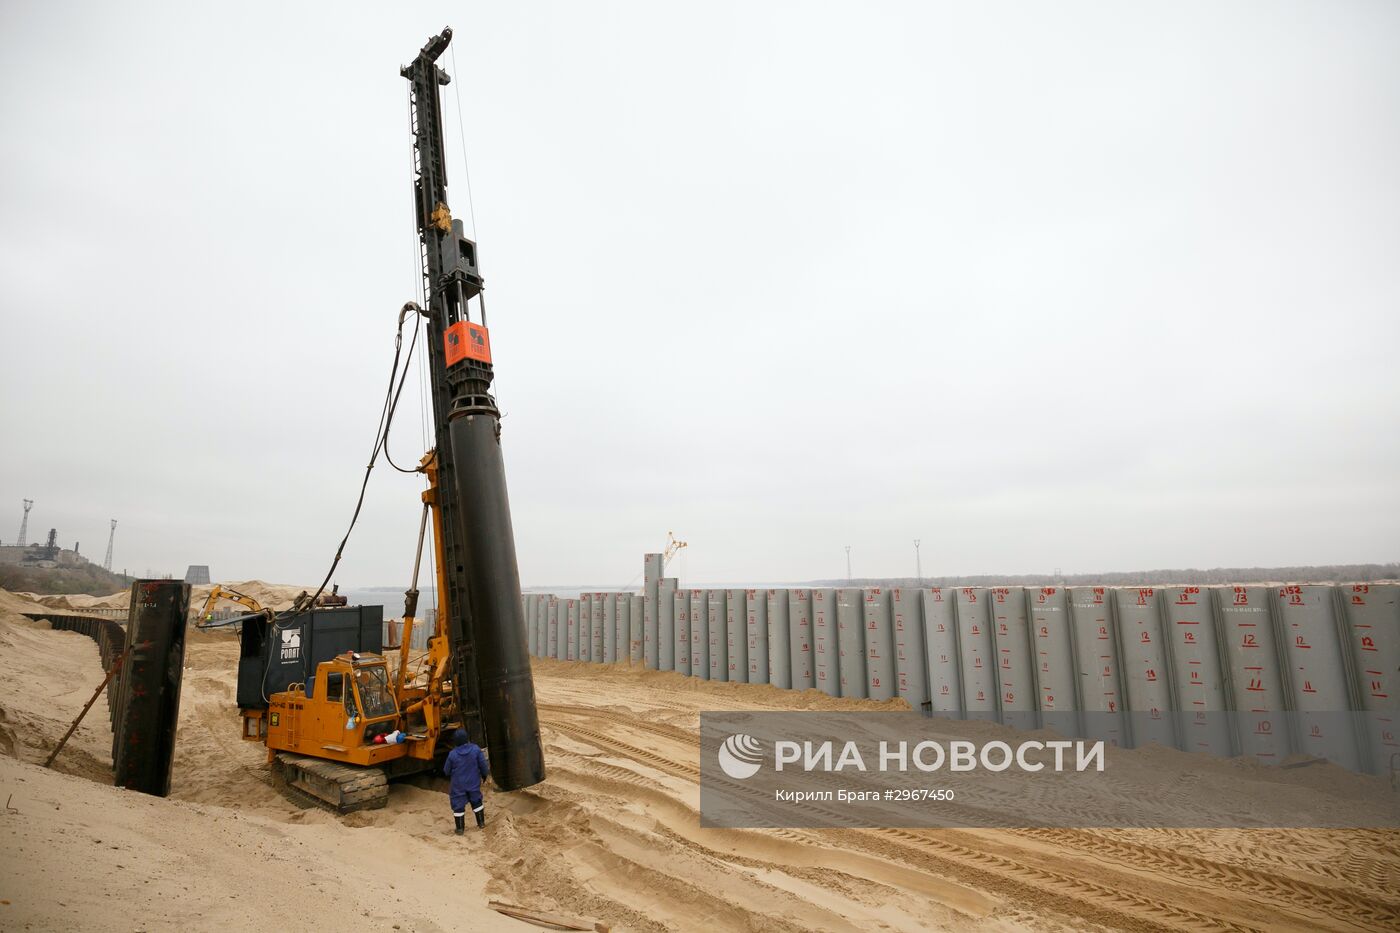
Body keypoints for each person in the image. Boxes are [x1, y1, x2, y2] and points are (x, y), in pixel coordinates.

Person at [443, 728, 489, 834]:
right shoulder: (475, 749)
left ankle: (460, 829)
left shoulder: (452, 754)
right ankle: (481, 823)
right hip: (473, 783)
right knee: (476, 801)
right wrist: (484, 775)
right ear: (467, 738)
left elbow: (446, 771)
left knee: (458, 805)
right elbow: (483, 765)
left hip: (458, 785)